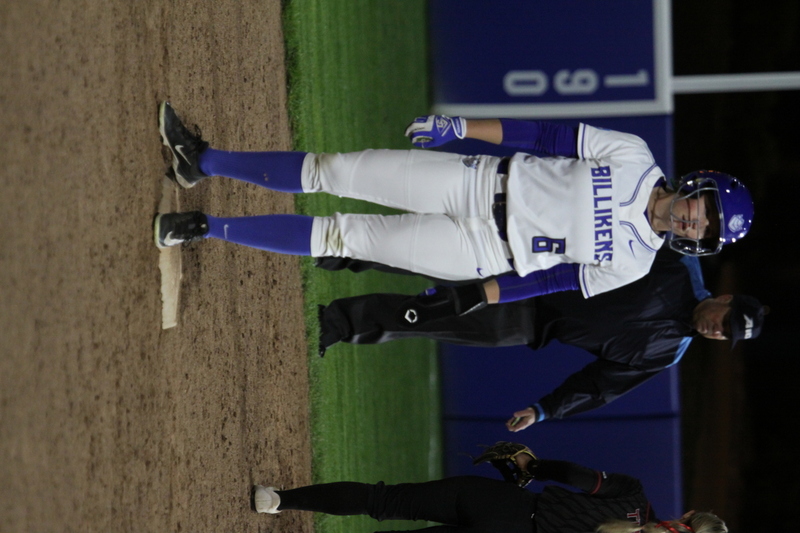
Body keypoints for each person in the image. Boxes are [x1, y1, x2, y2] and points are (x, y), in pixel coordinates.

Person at [153, 102, 754, 320]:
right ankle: (203, 161)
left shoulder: (636, 264)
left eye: (704, 230)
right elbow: (545, 135)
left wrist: (479, 297)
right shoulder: (635, 157)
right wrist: (461, 126)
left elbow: (553, 281)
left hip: (484, 251)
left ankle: (208, 227)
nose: (694, 221)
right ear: (697, 187)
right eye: (704, 209)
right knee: (334, 169)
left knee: (345, 237)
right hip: (477, 181)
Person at [316, 248, 769, 430]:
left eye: (725, 336)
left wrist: (546, 408)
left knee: (427, 321)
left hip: (528, 325)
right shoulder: (678, 264)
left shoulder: (667, 353)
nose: (717, 330)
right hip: (528, 268)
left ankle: (339, 324)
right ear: (725, 298)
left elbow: (600, 385)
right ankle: (336, 248)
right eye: (725, 321)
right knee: (424, 255)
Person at [250, 450, 727, 533]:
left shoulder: (635, 498)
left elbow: (574, 474)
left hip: (507, 502)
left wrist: (531, 467)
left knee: (385, 500)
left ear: (687, 515)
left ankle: (278, 500)